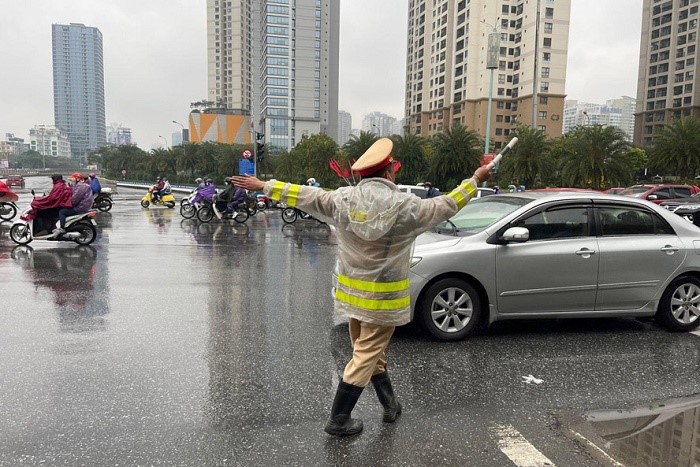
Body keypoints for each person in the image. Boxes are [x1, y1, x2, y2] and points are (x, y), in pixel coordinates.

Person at [232, 138, 491, 437]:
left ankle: (391, 405)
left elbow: (303, 194)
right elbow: (448, 204)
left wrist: (264, 185)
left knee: (369, 351)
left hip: (353, 297)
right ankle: (339, 419)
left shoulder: (341, 200)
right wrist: (475, 179)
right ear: (389, 172)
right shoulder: (408, 207)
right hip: (384, 300)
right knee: (366, 354)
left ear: (365, 174)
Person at [49, 173, 93, 238]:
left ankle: (62, 228)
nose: (71, 181)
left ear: (77, 179)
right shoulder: (81, 185)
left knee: (62, 212)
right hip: (83, 206)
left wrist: (65, 204)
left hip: (80, 207)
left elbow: (75, 199)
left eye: (73, 179)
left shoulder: (80, 186)